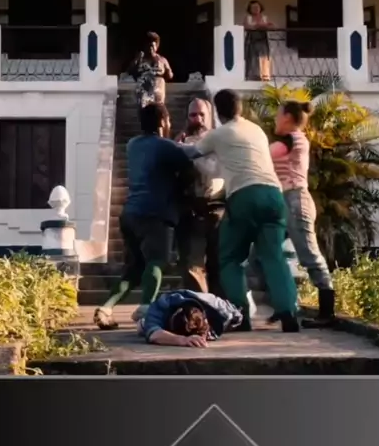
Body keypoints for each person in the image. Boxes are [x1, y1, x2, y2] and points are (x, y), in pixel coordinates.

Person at [189, 89, 300, 332]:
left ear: (217, 112)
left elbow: (192, 152)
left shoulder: (218, 134)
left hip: (244, 195)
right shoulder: (257, 130)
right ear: (240, 108)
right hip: (273, 195)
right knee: (274, 257)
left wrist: (174, 145)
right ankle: (288, 311)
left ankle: (241, 315)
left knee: (230, 258)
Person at [93, 103, 195, 330]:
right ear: (163, 122)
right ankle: (147, 310)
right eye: (168, 120)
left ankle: (106, 308)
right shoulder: (166, 146)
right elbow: (189, 165)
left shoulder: (133, 145)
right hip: (155, 213)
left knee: (135, 269)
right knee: (157, 261)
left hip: (130, 214)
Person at [270, 100, 334, 319]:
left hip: (295, 200)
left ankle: (327, 312)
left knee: (310, 256)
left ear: (287, 117)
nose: (275, 119)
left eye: (278, 115)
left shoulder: (292, 140)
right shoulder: (292, 140)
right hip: (287, 200)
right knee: (269, 252)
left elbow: (264, 155)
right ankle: (284, 305)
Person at [174, 98, 226, 295]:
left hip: (217, 209)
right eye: (193, 115)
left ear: (210, 116)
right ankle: (200, 307)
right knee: (192, 266)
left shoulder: (220, 141)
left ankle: (220, 307)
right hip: (190, 211)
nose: (198, 119)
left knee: (218, 264)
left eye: (202, 114)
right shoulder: (180, 143)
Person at [135, 289, 243, 347]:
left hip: (195, 299)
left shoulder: (220, 309)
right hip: (159, 308)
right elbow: (154, 335)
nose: (204, 338)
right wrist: (182, 340)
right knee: (142, 321)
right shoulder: (161, 307)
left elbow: (238, 314)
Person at [127, 31, 173, 108]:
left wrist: (163, 71)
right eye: (148, 45)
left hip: (158, 93)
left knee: (157, 111)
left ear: (156, 47)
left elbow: (170, 75)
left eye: (152, 45)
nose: (150, 48)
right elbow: (129, 71)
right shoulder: (140, 59)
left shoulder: (162, 60)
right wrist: (137, 60)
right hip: (143, 94)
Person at [244, 0, 273, 81]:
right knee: (252, 60)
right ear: (250, 9)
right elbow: (245, 26)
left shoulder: (264, 18)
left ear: (260, 8)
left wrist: (262, 25)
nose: (255, 9)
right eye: (253, 7)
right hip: (251, 42)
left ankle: (265, 77)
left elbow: (272, 26)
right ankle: (251, 77)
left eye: (257, 7)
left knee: (264, 58)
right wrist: (257, 26)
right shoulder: (248, 18)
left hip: (263, 41)